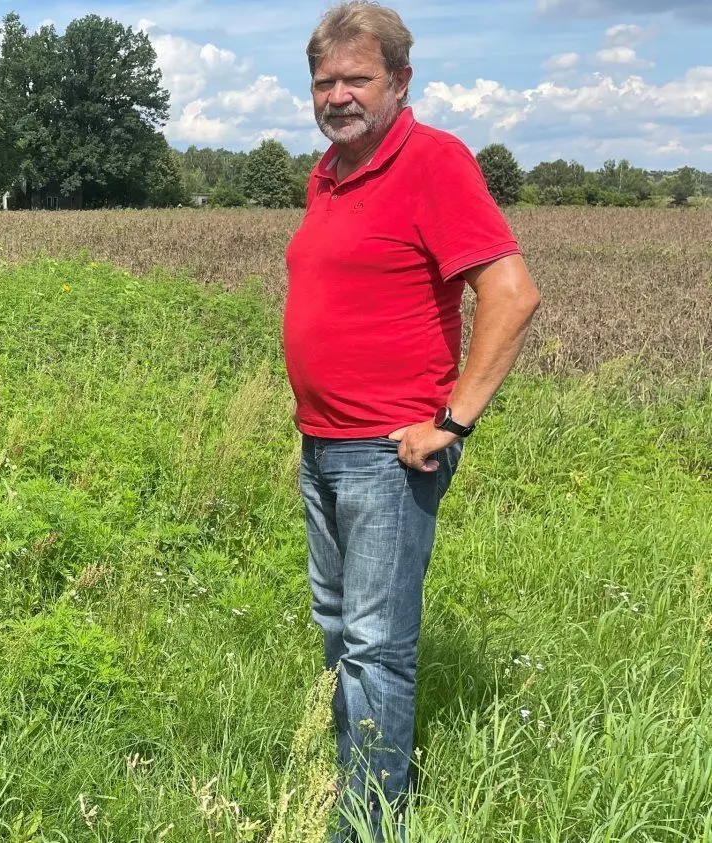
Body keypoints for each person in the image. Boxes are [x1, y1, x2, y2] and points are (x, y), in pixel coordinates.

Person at [282, 2, 541, 839]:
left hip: (388, 454)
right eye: (326, 81)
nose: (339, 95)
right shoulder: (329, 171)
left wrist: (452, 421)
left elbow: (511, 293)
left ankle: (369, 823)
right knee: (339, 631)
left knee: (375, 645)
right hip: (323, 446)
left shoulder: (433, 161)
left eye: (358, 78)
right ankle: (355, 786)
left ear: (400, 81)